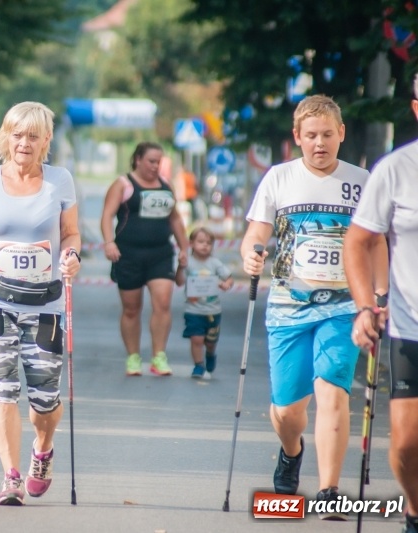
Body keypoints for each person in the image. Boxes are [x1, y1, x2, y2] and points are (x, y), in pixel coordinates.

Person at [240, 94, 388, 519]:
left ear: (341, 134)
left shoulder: (362, 181)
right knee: (287, 410)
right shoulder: (279, 178)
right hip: (289, 307)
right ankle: (291, 451)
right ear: (297, 138)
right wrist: (252, 253)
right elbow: (256, 233)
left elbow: (374, 243)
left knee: (332, 389)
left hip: (345, 307)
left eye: (327, 134)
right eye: (311, 136)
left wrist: (378, 297)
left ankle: (328, 489)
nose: (319, 143)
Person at [0, 101, 81, 506]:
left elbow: (72, 234)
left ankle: (42, 450)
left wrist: (73, 256)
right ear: (6, 137)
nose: (23, 142)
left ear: (46, 140)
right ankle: (10, 477)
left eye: (32, 135)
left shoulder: (59, 181)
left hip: (46, 303)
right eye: (17, 133)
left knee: (44, 400)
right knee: (3, 387)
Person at [343, 74, 418, 533]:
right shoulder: (396, 169)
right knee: (408, 445)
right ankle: (415, 508)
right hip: (410, 325)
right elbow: (360, 241)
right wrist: (365, 306)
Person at [100, 142, 189, 377]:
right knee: (131, 309)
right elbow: (107, 214)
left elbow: (176, 219)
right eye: (151, 161)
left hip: (160, 253)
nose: (155, 166)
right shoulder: (123, 185)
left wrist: (184, 247)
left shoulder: (166, 185)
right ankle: (133, 357)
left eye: (158, 161)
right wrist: (109, 243)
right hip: (128, 254)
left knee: (163, 303)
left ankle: (159, 356)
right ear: (137, 159)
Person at [175, 227, 233, 379]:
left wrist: (226, 284)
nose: (205, 245)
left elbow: (228, 277)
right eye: (200, 242)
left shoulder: (215, 263)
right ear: (192, 243)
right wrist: (180, 267)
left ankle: (210, 354)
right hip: (193, 310)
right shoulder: (188, 263)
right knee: (196, 339)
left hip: (213, 311)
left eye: (209, 243)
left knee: (210, 341)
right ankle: (198, 365)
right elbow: (179, 282)